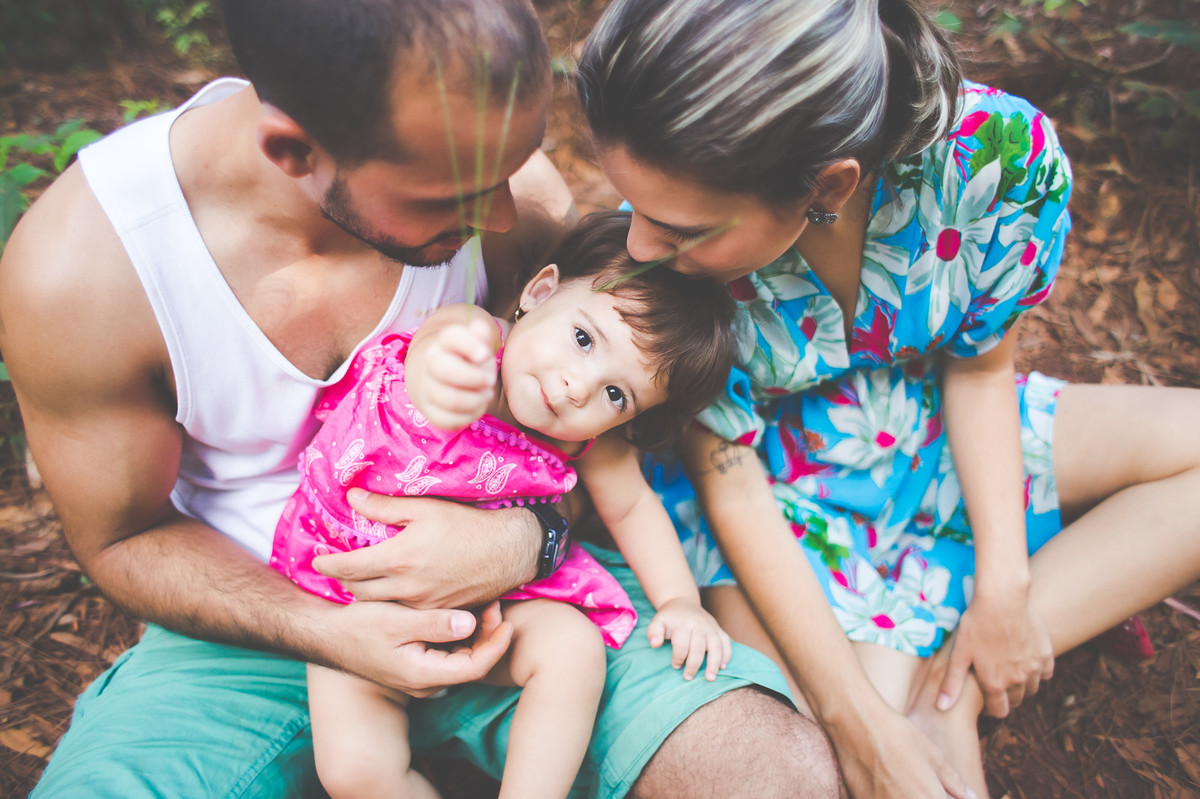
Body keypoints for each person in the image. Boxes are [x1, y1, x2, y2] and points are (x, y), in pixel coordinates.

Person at [0, 1, 840, 796]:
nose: (506, 215)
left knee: (769, 769)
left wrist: (526, 539)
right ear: (293, 150)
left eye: (512, 168)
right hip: (257, 621)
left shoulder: (484, 172)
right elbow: (124, 539)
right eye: (455, 197)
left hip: (530, 601)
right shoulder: (85, 276)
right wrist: (326, 629)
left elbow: (590, 433)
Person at [576, 1, 1200, 797]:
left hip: (931, 422)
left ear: (827, 183)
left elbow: (978, 369)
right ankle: (929, 683)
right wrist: (858, 722)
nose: (636, 250)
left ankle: (960, 679)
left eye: (679, 228)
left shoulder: (997, 160)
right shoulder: (670, 254)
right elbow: (726, 472)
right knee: (847, 759)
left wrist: (1004, 592)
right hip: (769, 487)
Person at [279, 211, 738, 799]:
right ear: (539, 292)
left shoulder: (583, 439)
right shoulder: (475, 337)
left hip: (491, 612)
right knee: (353, 770)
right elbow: (432, 351)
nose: (579, 385)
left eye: (617, 394)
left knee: (573, 650)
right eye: (583, 339)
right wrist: (446, 377)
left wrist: (680, 602)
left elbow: (631, 507)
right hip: (356, 605)